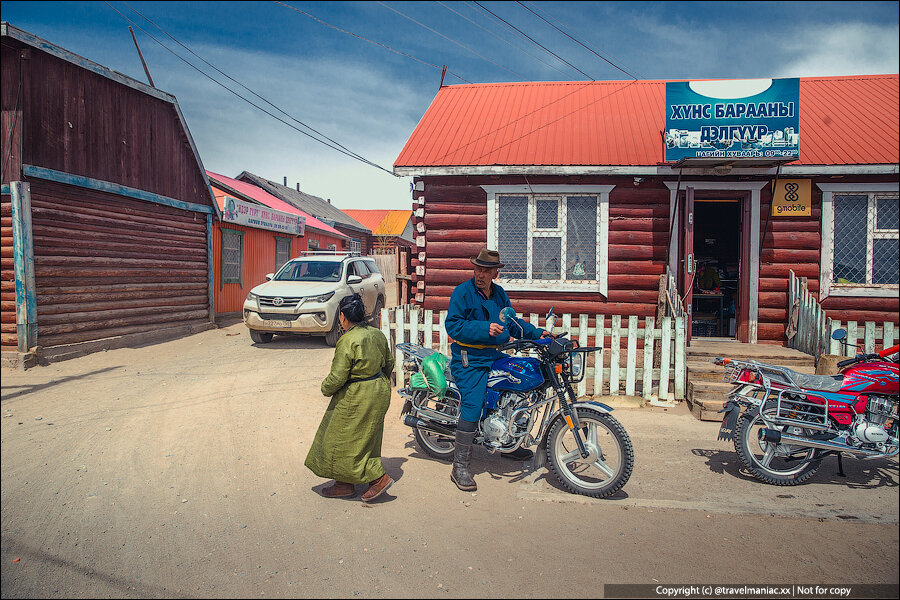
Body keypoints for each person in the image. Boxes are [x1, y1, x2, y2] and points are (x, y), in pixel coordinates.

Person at [444, 248, 550, 492]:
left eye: (486, 270)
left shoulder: (500, 294)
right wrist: (484, 329)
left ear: (494, 273)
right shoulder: (463, 292)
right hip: (468, 358)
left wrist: (537, 333)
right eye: (477, 269)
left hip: (492, 354)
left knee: (518, 388)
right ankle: (459, 466)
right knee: (473, 402)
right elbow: (453, 326)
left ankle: (508, 441)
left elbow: (512, 323)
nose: (480, 274)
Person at [304, 293, 395, 502]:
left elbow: (337, 377)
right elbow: (388, 364)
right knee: (367, 437)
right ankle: (344, 483)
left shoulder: (347, 340)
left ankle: (378, 479)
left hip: (359, 395)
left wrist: (325, 388)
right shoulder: (377, 334)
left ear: (343, 316)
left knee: (339, 438)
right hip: (379, 390)